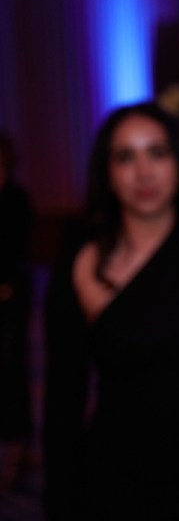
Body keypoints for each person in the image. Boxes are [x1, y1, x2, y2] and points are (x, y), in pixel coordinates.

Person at [43, 102, 179, 520]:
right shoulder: (87, 264)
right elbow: (63, 402)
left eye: (157, 153)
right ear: (107, 174)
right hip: (117, 479)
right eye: (125, 157)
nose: (144, 172)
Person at [0, 131, 34, 493]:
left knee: (12, 369)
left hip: (10, 296)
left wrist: (7, 285)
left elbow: (17, 247)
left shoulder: (16, 198)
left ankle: (17, 448)